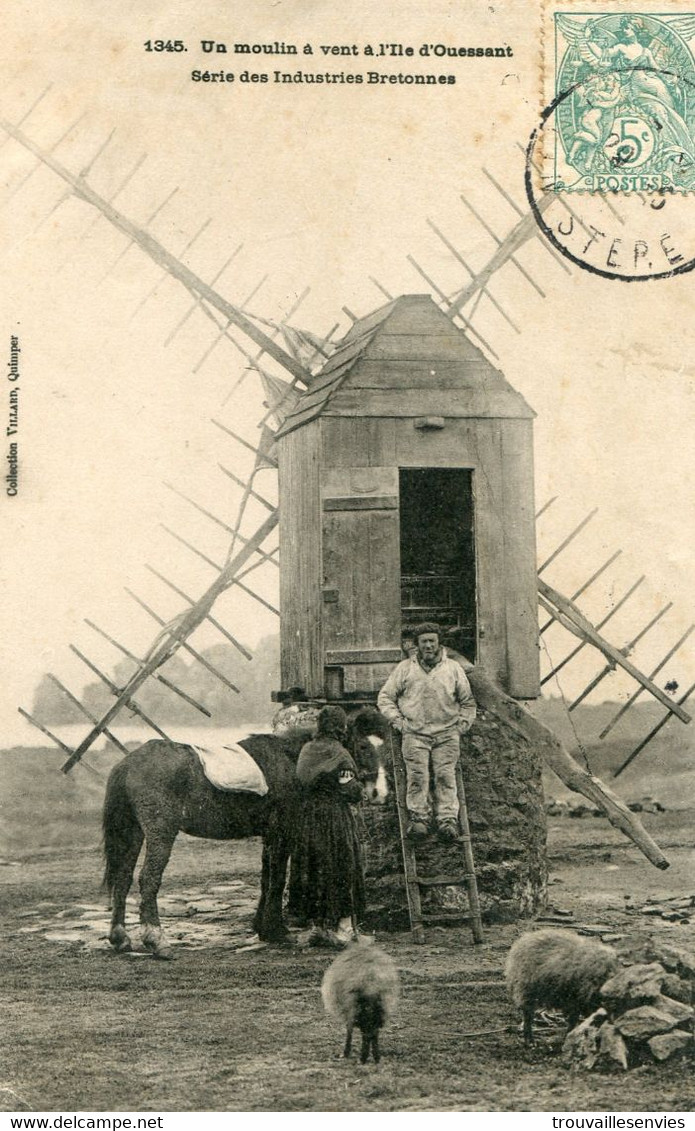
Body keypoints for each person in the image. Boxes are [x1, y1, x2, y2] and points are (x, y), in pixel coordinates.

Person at [377, 622, 476, 843]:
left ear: (439, 643)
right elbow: (385, 698)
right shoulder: (405, 669)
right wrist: (397, 721)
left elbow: (468, 702)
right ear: (417, 645)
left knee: (445, 775)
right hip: (414, 734)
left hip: (447, 734)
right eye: (424, 642)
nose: (428, 645)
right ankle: (419, 819)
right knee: (417, 777)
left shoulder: (453, 669)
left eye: (432, 641)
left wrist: (463, 724)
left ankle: (447, 820)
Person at [291, 705, 366, 948]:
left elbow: (300, 780)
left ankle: (318, 927)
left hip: (309, 819)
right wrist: (359, 790)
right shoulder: (339, 753)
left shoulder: (307, 749)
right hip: (334, 818)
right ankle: (344, 929)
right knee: (342, 867)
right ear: (340, 728)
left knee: (314, 867)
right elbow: (349, 788)